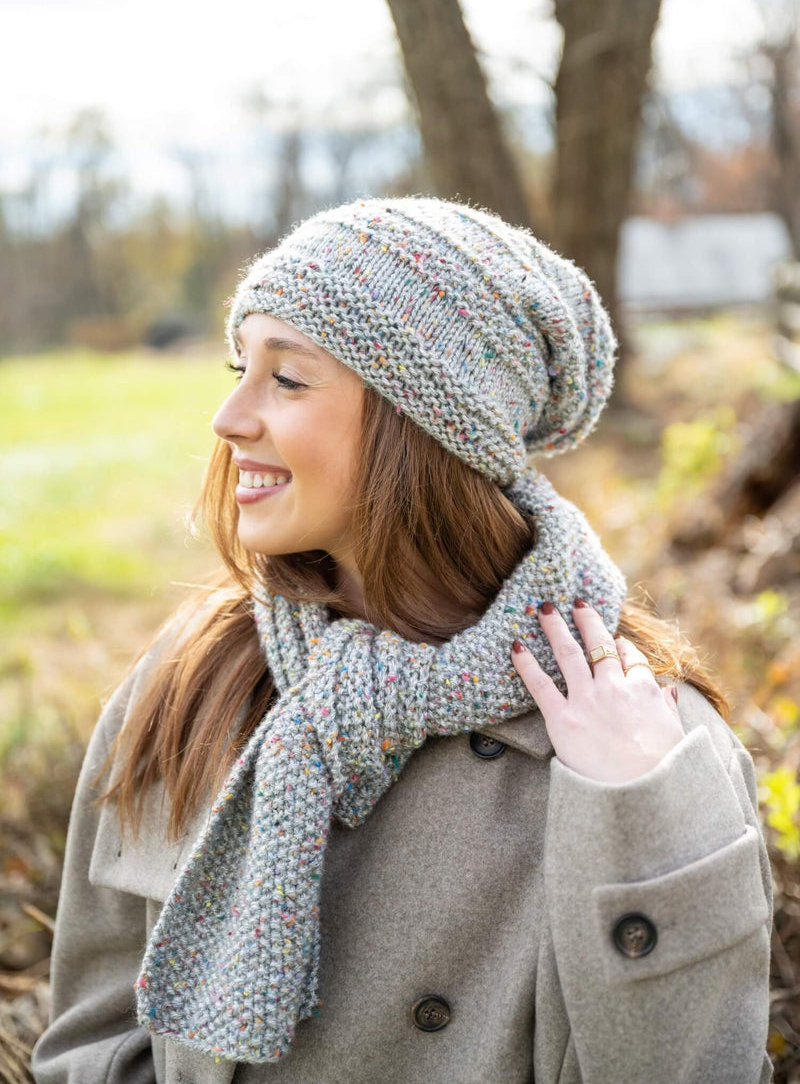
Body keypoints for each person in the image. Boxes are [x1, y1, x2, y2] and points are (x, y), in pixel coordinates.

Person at [31, 196, 774, 1084]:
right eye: (239, 368)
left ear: (423, 421)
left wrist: (640, 815)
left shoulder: (640, 732)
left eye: (287, 379)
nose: (228, 418)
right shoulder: (201, 674)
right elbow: (92, 1040)